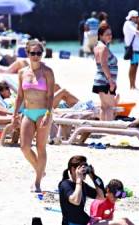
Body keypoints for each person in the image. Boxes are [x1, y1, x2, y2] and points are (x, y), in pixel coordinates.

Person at [12, 40, 55, 192]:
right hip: (28, 113)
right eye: (33, 53)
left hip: (44, 113)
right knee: (24, 147)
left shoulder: (47, 71)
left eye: (39, 53)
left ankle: (37, 182)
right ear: (27, 53)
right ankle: (40, 169)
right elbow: (19, 96)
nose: (36, 56)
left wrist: (48, 114)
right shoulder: (22, 72)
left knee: (40, 147)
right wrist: (15, 114)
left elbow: (50, 96)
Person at [58, 155, 105, 225]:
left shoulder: (82, 185)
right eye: (82, 169)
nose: (84, 172)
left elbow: (101, 196)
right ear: (73, 169)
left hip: (84, 220)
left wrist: (93, 175)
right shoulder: (65, 184)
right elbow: (76, 201)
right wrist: (79, 179)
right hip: (71, 223)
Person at [93, 23, 119, 121]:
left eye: (110, 34)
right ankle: (109, 130)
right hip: (105, 81)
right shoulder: (103, 48)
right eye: (107, 34)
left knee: (104, 107)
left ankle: (103, 129)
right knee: (109, 107)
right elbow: (103, 65)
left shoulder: (97, 46)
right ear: (100, 36)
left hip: (100, 80)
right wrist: (110, 80)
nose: (110, 36)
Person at [123, 10, 139, 89]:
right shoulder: (128, 24)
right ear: (131, 17)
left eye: (137, 17)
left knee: (136, 66)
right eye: (135, 17)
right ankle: (131, 85)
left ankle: (134, 84)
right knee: (132, 65)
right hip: (132, 49)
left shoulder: (134, 24)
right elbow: (138, 32)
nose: (136, 18)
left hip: (137, 48)